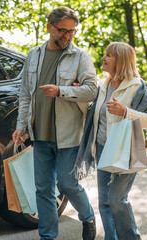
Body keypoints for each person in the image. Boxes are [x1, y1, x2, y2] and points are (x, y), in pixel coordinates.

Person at [12, 6, 98, 240]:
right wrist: (21, 126)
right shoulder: (33, 55)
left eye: (72, 31)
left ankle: (88, 215)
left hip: (69, 133)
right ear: (50, 27)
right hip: (39, 133)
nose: (68, 36)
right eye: (63, 30)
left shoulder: (80, 57)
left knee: (67, 183)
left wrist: (61, 90)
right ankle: (47, 236)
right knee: (43, 189)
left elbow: (92, 91)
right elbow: (25, 94)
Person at [78, 42, 147, 240]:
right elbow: (91, 115)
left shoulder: (136, 86)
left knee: (117, 200)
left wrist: (126, 112)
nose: (103, 58)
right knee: (104, 202)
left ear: (120, 61)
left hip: (125, 150)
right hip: (103, 148)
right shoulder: (102, 86)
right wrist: (79, 94)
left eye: (109, 55)